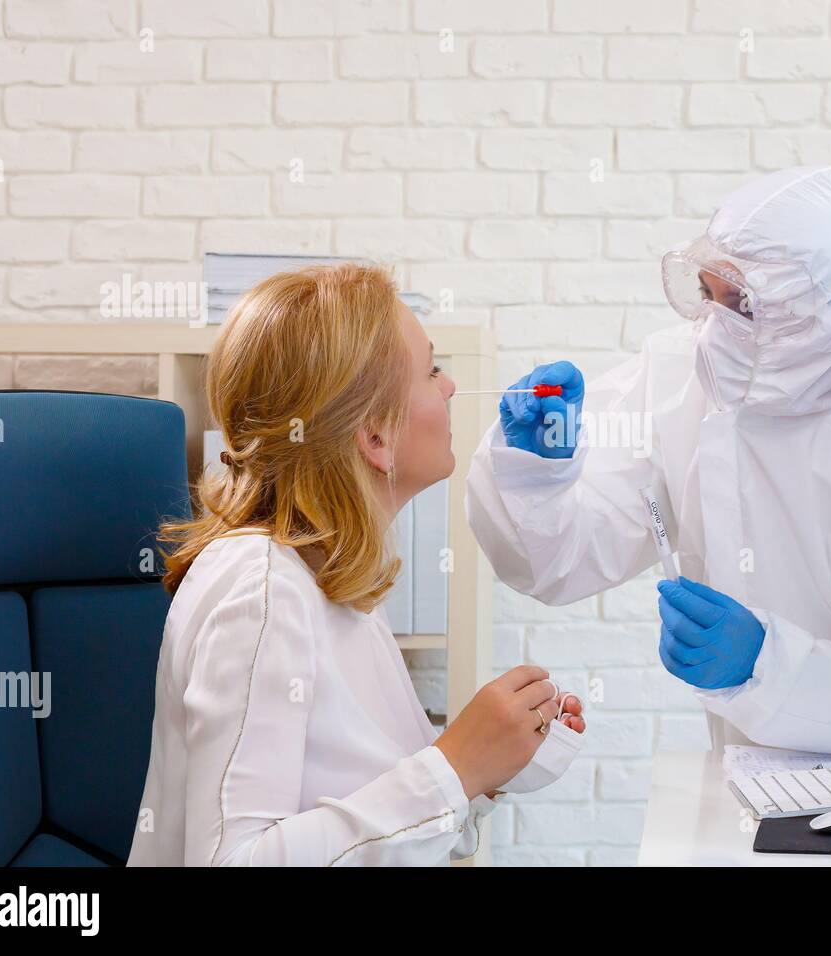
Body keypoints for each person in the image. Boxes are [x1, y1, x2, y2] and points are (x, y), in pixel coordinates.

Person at [467, 166, 831, 757]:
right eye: (707, 294)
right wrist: (538, 471)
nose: (715, 325)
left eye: (741, 301)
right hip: (750, 780)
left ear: (826, 305)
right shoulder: (683, 373)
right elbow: (560, 564)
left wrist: (764, 664)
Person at [129, 263, 583, 867]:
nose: (448, 388)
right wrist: (457, 765)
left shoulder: (331, 579)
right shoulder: (262, 592)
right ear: (374, 435)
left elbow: (364, 810)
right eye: (430, 371)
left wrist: (494, 760)